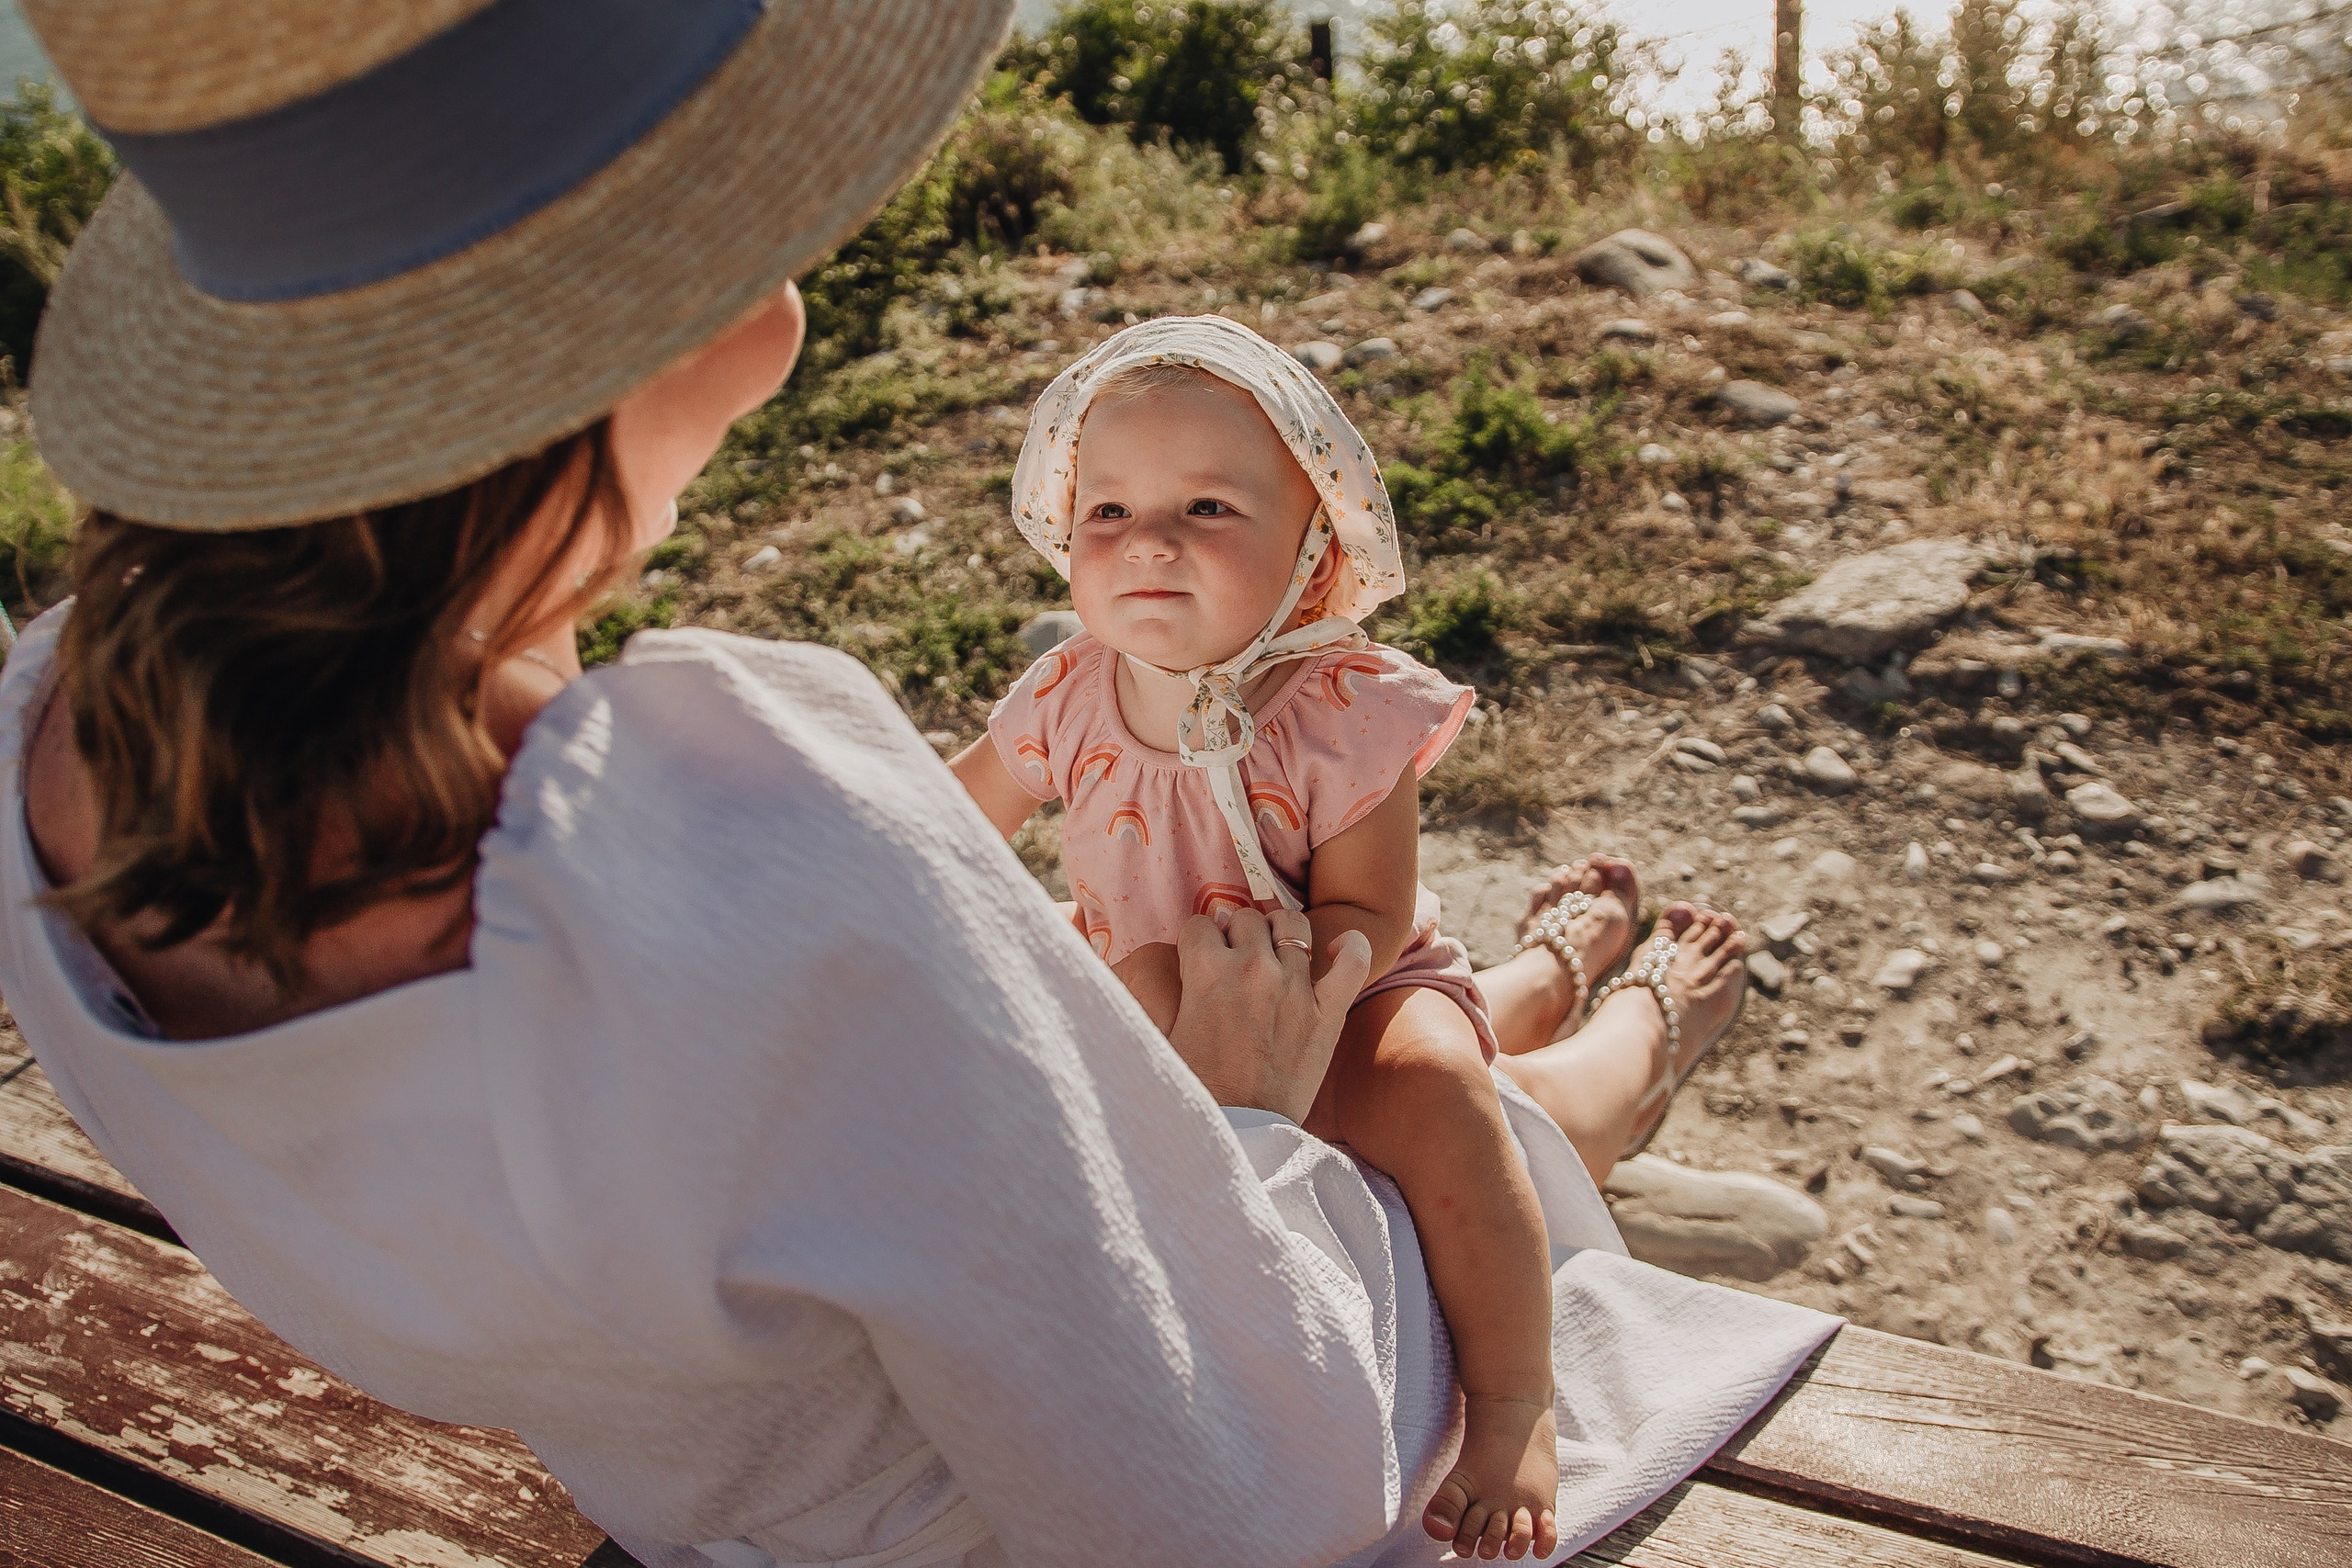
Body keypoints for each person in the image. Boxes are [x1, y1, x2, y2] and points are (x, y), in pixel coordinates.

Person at [0, 5, 1838, 1566]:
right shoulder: (751, 838)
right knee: (1454, 1126)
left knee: (1422, 1055)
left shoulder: (46, 725)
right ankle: (1638, 1028)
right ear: (726, 318)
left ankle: (1572, 991)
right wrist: (1240, 1134)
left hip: (700, 1492)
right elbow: (1223, 1498)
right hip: (1126, 1432)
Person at [952, 318, 1751, 1558]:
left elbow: (1368, 911)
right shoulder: (1066, 693)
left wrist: (1277, 1007)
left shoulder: (1338, 707)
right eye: (1106, 511)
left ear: (1312, 542)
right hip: (1154, 997)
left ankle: (1514, 1400)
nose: (1148, 541)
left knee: (1443, 1092)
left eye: (1209, 506)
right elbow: (953, 820)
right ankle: (1557, 987)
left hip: (1348, 991)